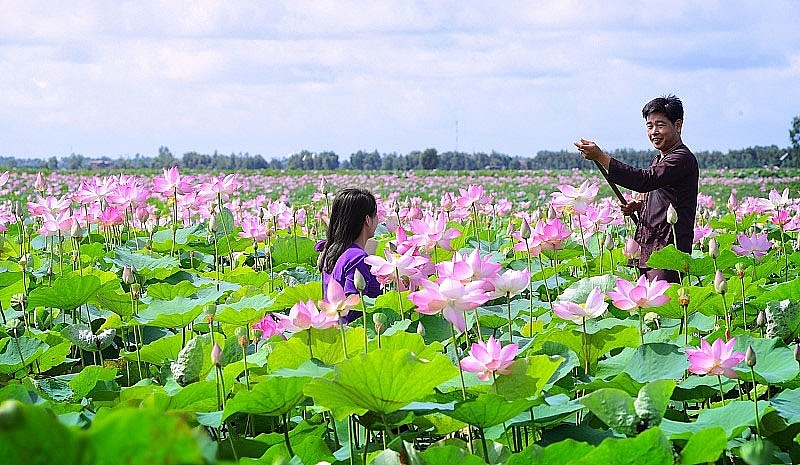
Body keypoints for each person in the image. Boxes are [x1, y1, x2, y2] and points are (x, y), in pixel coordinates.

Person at [574, 94, 698, 283]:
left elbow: (645, 180)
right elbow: (667, 196)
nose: (654, 131)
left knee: (663, 308)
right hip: (650, 247)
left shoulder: (681, 158)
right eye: (650, 126)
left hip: (668, 251)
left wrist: (601, 157)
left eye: (661, 125)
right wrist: (640, 206)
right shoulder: (660, 158)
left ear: (678, 125)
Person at [315, 188, 383, 322]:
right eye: (375, 215)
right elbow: (352, 309)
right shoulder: (357, 258)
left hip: (332, 327)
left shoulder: (332, 251)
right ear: (368, 220)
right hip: (352, 334)